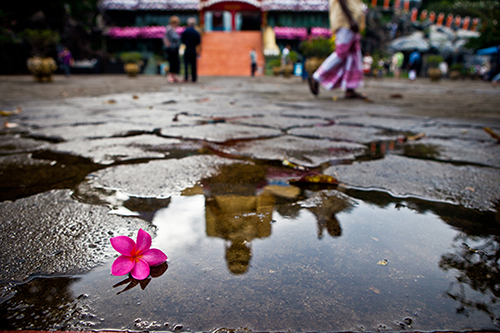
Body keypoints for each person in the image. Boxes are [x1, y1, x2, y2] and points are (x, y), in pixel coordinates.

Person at [308, 0, 367, 99]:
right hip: (345, 22)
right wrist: (351, 19)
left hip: (350, 21)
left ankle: (350, 89)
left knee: (353, 54)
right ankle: (316, 76)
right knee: (341, 52)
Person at [181, 17, 201, 82]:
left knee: (186, 64)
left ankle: (186, 77)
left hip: (187, 48)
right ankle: (194, 78)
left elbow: (182, 40)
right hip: (193, 49)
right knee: (193, 64)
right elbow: (198, 42)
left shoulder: (186, 31)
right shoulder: (196, 32)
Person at [163, 15, 181, 83]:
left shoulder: (174, 29)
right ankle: (170, 76)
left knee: (175, 62)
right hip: (171, 49)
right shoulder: (169, 29)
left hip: (175, 48)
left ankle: (174, 76)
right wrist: (168, 45)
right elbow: (165, 38)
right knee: (171, 62)